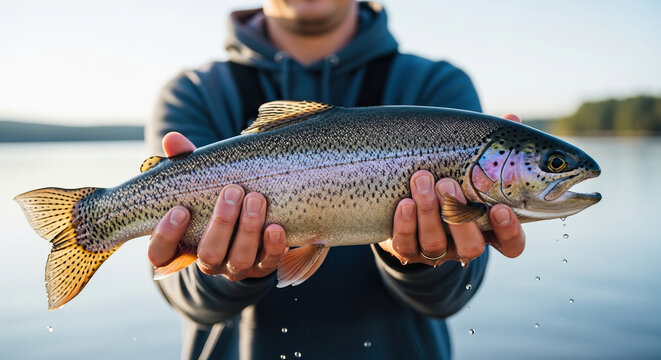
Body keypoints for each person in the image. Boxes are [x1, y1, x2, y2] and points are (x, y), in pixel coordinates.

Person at [146, 1, 525, 359]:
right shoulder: (193, 92)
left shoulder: (438, 86)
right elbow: (186, 297)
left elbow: (451, 298)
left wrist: (424, 260)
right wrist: (231, 273)